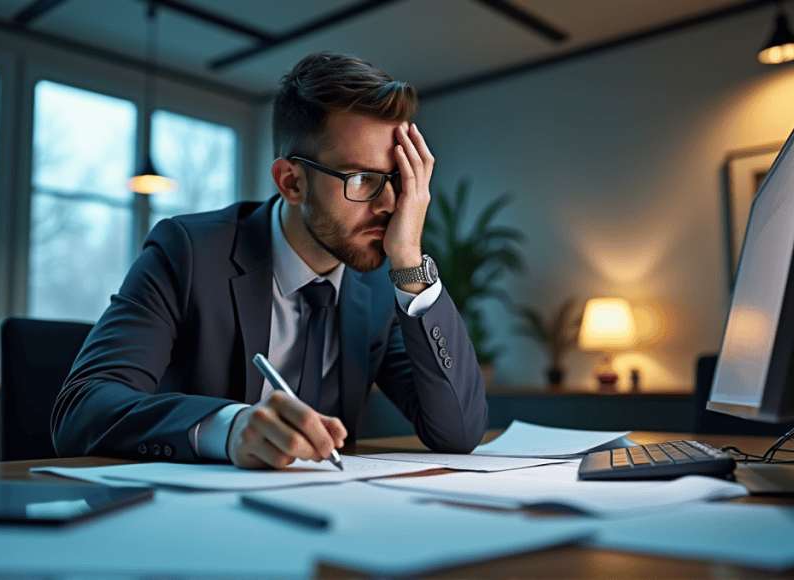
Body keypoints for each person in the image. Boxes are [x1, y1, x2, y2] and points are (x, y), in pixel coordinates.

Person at [51, 51, 488, 469]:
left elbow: (458, 432)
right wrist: (228, 427)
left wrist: (410, 261)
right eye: (362, 178)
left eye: (398, 178)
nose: (391, 203)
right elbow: (82, 408)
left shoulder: (377, 284)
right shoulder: (188, 252)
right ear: (291, 182)